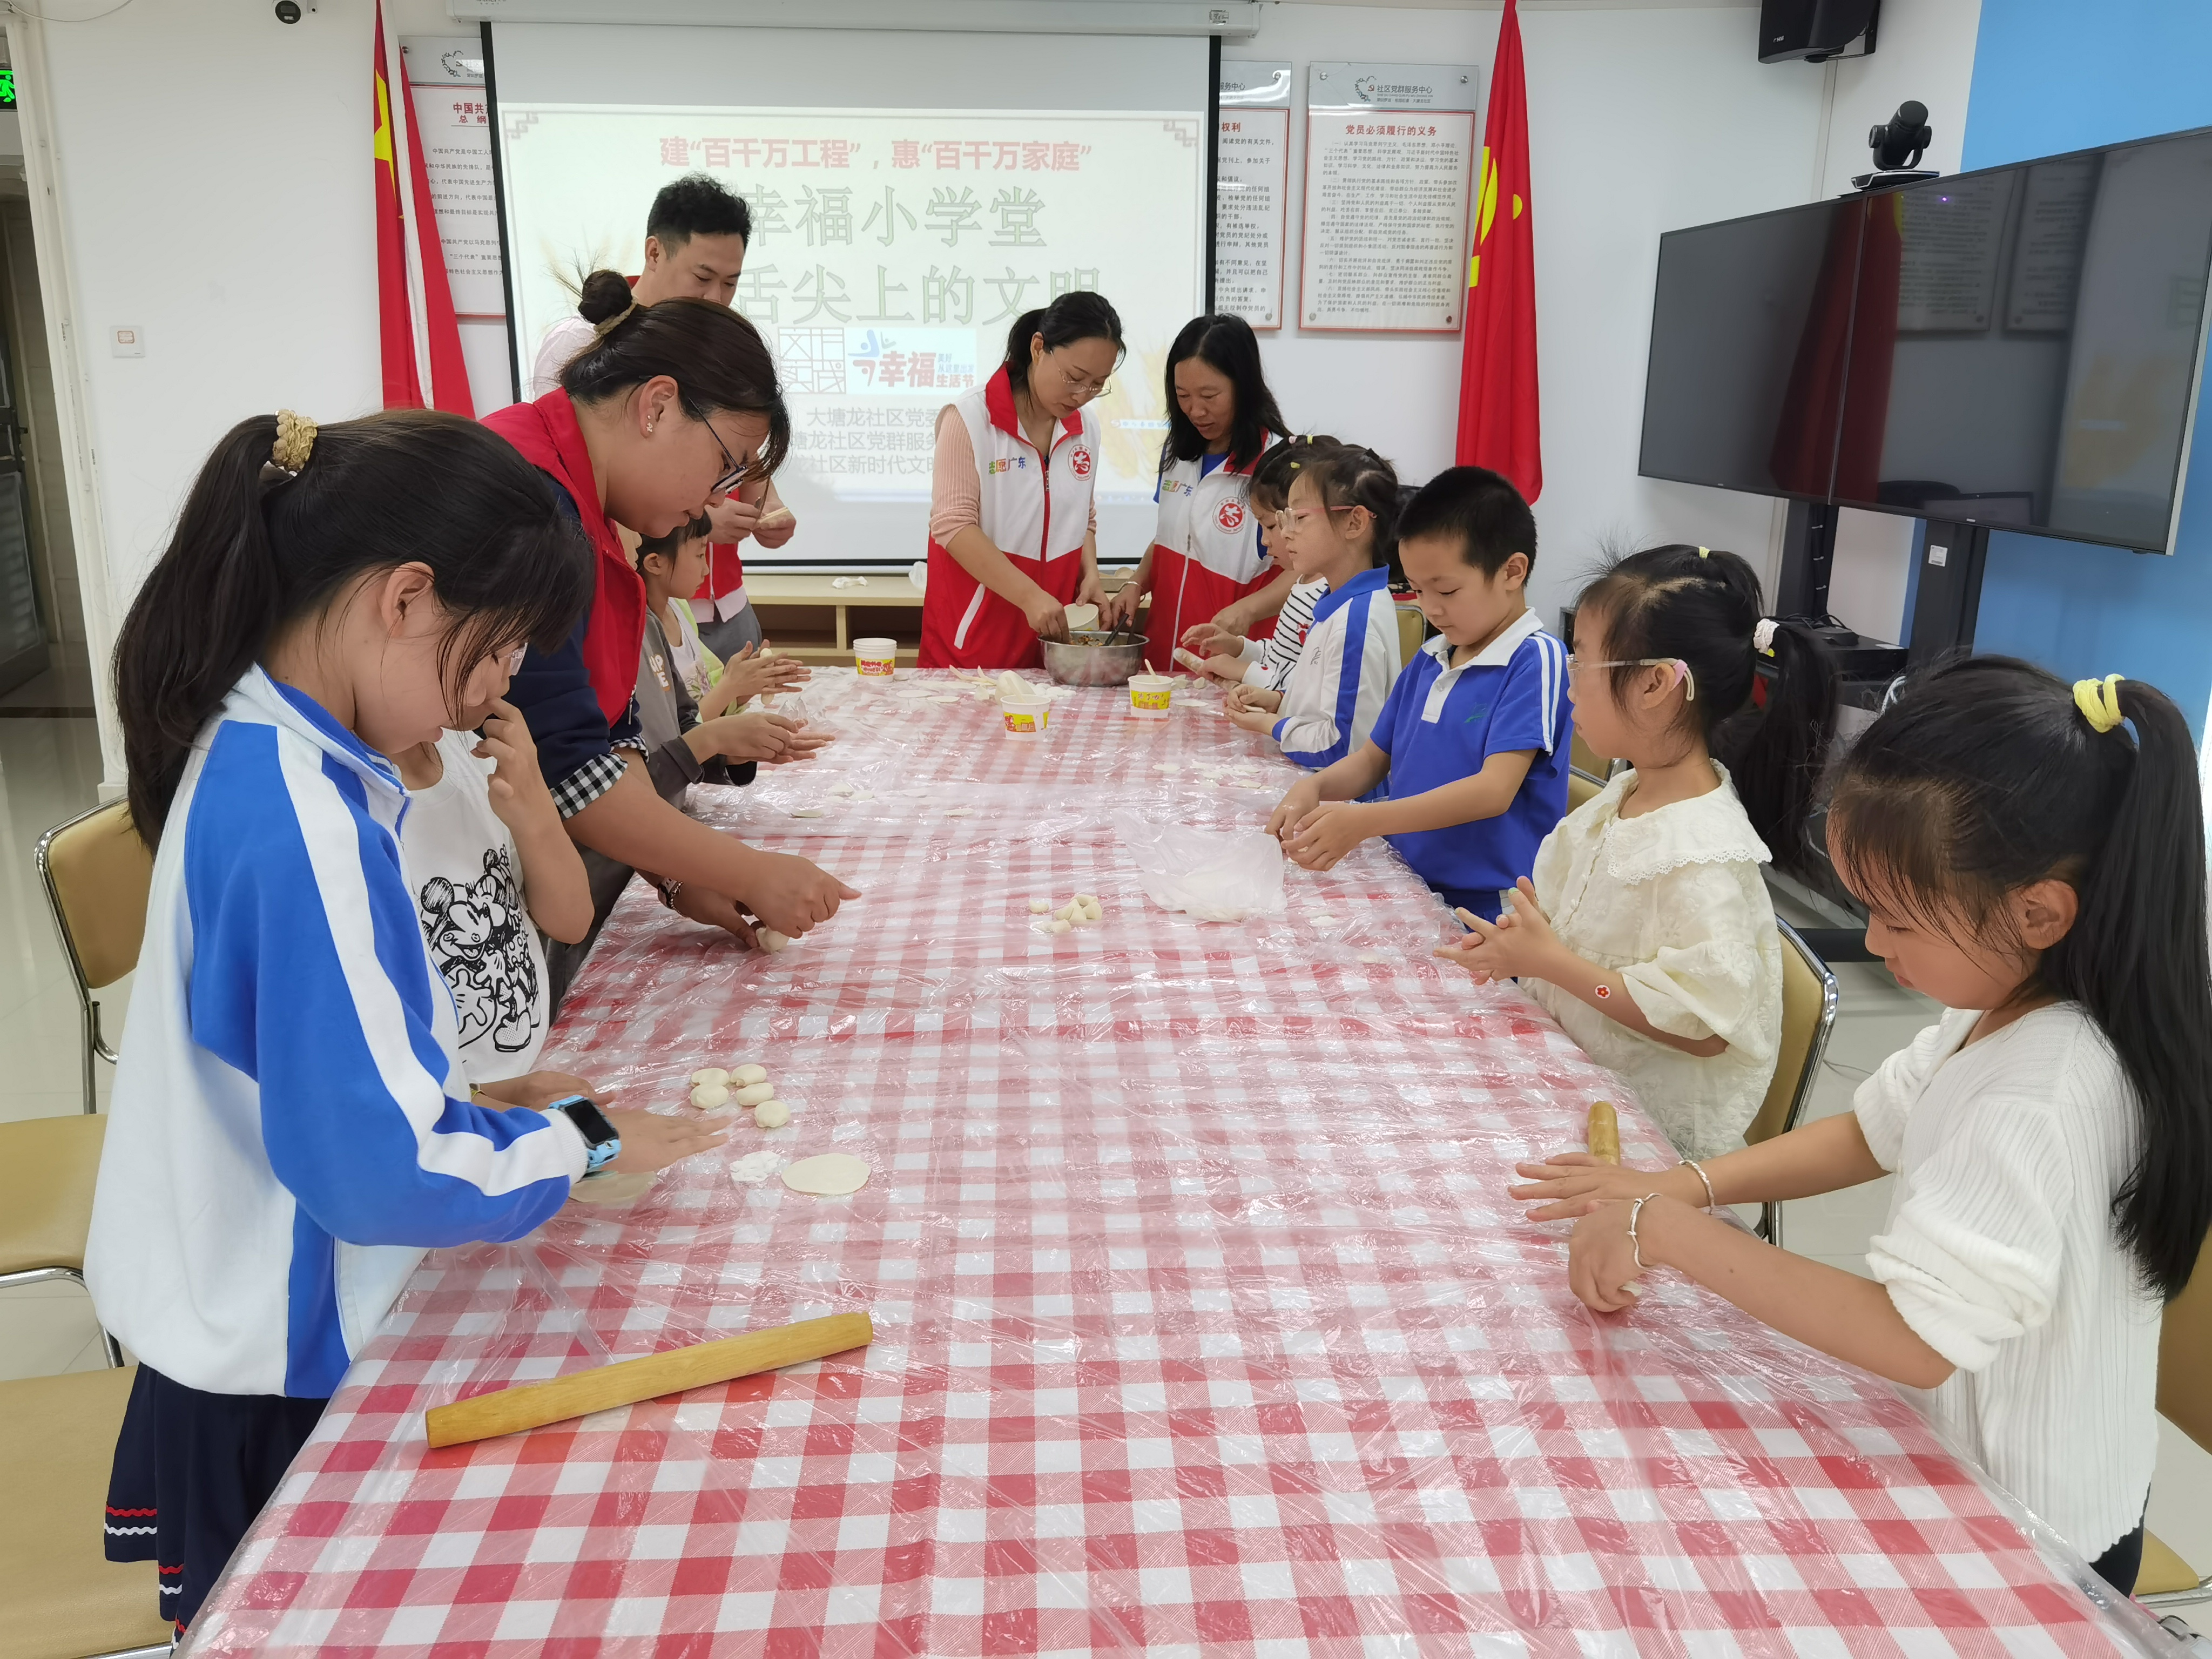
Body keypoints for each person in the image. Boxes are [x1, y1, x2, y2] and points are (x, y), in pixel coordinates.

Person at [89, 409, 731, 1637]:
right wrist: (585, 1140)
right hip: (279, 1358)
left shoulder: (272, 749)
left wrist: (466, 1095)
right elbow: (380, 1172)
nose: (496, 690)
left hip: (235, 1312)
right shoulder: (304, 823)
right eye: (495, 653)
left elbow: (308, 1060)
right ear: (404, 598)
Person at [1507, 659, 2212, 1596]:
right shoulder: (2005, 1001)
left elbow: (1911, 1336)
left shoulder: (2043, 1089)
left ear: (2038, 912)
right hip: (1974, 1466)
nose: (1874, 944)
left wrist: (1665, 1230)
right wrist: (1683, 1186)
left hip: (2034, 1537)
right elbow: (1869, 1132)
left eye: (1897, 921)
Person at [485, 276, 859, 1006]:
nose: (716, 499)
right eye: (725, 464)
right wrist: (749, 872)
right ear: (656, 406)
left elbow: (603, 741)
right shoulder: (528, 501)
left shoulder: (588, 510)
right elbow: (568, 766)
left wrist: (681, 875)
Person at [1437, 544, 1836, 1159]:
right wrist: (1526, 945)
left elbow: (1705, 1030)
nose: (1570, 681)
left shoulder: (1702, 855)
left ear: (1655, 683)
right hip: (1569, 1078)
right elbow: (1584, 937)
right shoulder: (1625, 793)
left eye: (1583, 660)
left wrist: (1553, 964)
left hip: (1639, 1142)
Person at [1265, 467, 1568, 921]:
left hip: (1489, 908)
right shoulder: (1432, 657)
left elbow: (1493, 790)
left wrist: (1368, 820)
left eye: (1446, 590)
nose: (1431, 608)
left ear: (1512, 571)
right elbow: (1373, 759)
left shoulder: (1535, 660)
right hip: (1410, 884)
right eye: (1418, 590)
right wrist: (1315, 787)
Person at [529, 173, 793, 663]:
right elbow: (573, 473)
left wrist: (768, 502)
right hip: (632, 587)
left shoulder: (711, 348)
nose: (716, 298)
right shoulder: (581, 343)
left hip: (717, 596)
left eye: (730, 283)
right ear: (655, 252)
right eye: (703, 278)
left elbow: (743, 452)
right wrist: (699, 516)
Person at [394, 694, 590, 1087]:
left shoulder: (468, 749)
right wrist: (486, 1099)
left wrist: (537, 812)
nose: (503, 683)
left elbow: (571, 922)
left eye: (513, 662)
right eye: (489, 661)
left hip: (536, 1065)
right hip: (453, 1111)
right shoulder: (334, 795)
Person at [921, 291, 1122, 669]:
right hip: (974, 644)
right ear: (1038, 348)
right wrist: (1030, 596)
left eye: (1098, 384)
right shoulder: (970, 418)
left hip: (1051, 641)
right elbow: (953, 525)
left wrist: (1090, 574)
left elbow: (1083, 516)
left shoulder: (1086, 429)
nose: (1082, 395)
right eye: (1074, 377)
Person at [1102, 313, 1290, 658]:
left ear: (1244, 387)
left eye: (1209, 395)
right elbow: (1170, 538)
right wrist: (1136, 583)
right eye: (1183, 395)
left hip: (1233, 663)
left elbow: (1307, 569)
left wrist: (1248, 610)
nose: (1195, 411)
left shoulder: (1278, 462)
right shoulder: (1178, 452)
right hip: (1165, 658)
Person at [1224, 443, 1405, 768]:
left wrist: (1273, 726)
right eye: (1284, 519)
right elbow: (1324, 704)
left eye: (1299, 518)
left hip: (1337, 793)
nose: (1286, 533)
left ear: (1355, 522)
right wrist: (1278, 701)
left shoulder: (1355, 623)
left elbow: (1343, 747)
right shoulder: (1336, 602)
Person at [1179, 435, 1334, 693]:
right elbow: (1279, 659)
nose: (1264, 540)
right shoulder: (1302, 584)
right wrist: (1238, 647)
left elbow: (1314, 690)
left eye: (1271, 526)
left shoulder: (1332, 599)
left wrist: (1245, 671)